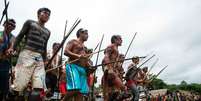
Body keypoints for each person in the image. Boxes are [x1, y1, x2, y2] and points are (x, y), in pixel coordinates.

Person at [11, 7, 51, 101]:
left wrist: (44, 60)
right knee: (19, 87)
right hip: (27, 55)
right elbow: (20, 36)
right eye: (45, 12)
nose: (47, 15)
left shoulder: (48, 32)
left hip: (39, 59)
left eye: (49, 14)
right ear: (38, 14)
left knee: (38, 88)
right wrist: (12, 48)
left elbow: (44, 47)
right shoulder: (30, 23)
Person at [63, 28, 91, 101]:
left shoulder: (85, 48)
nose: (87, 35)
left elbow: (84, 59)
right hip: (73, 66)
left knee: (80, 92)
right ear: (80, 33)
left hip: (82, 70)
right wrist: (78, 56)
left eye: (87, 34)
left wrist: (90, 66)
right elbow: (66, 51)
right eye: (86, 33)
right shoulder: (73, 41)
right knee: (75, 88)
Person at [102, 35, 128, 101]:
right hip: (109, 71)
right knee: (124, 89)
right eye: (120, 39)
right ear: (115, 40)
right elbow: (106, 57)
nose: (122, 40)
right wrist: (110, 69)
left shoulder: (116, 49)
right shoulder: (111, 46)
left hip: (112, 71)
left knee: (114, 94)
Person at [0, 19, 16, 101]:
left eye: (13, 25)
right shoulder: (0, 34)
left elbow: (13, 48)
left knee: (4, 86)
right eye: (9, 24)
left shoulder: (13, 38)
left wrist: (11, 51)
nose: (10, 26)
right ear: (4, 24)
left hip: (5, 64)